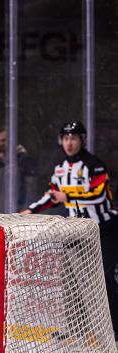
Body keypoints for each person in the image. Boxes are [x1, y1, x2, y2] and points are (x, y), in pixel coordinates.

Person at [21, 122, 118, 340]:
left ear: (82, 140)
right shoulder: (60, 168)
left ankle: (115, 329)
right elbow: (52, 196)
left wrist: (70, 197)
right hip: (76, 231)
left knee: (103, 278)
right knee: (70, 279)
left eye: (74, 138)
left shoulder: (95, 165)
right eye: (65, 138)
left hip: (104, 230)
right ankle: (76, 329)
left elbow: (99, 195)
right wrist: (31, 210)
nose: (69, 142)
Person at [0, 127, 37, 212]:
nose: (1, 144)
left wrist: (25, 210)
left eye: (4, 140)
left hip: (18, 213)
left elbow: (30, 188)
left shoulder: (24, 159)